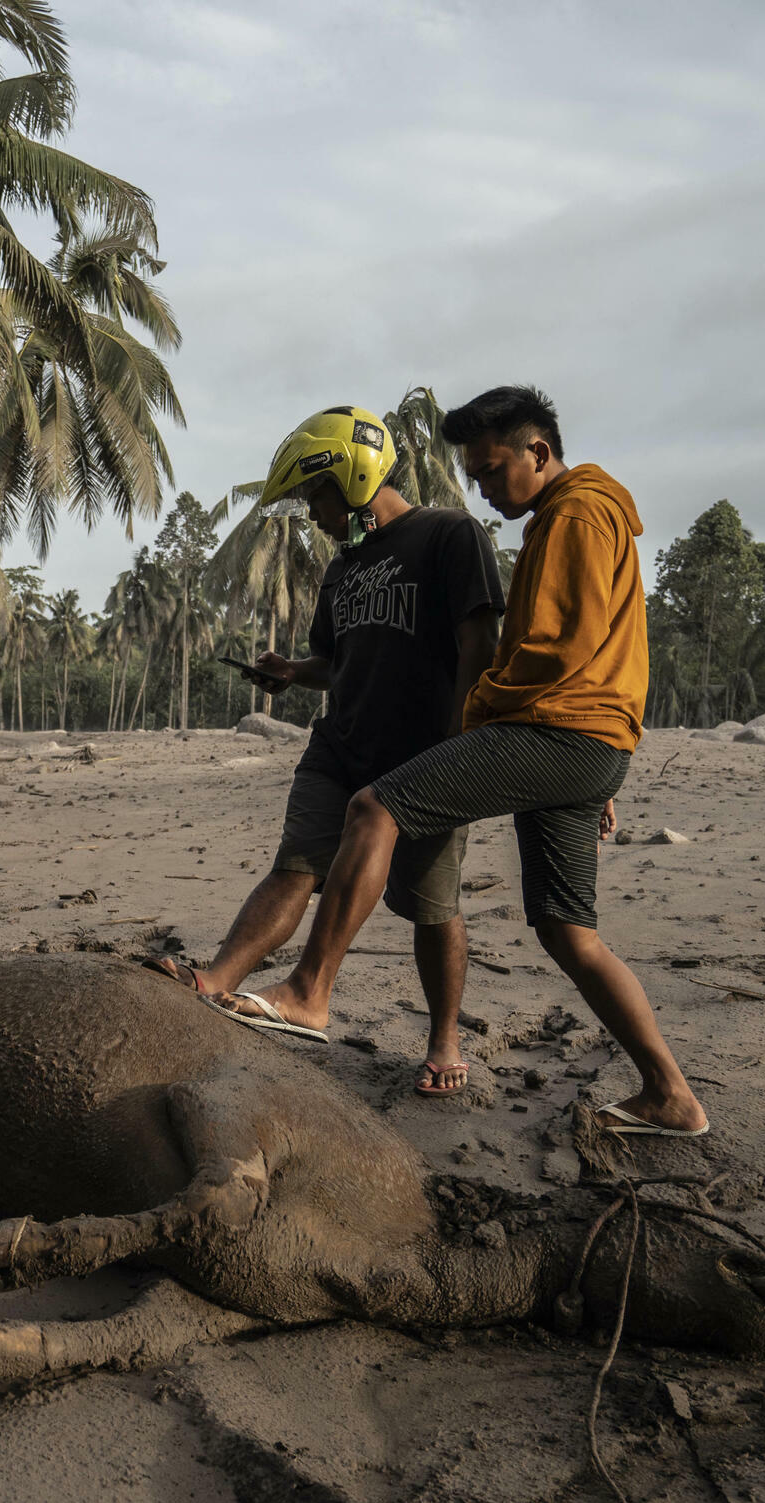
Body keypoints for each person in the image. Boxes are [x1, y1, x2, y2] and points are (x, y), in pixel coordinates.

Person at [212, 385, 706, 1136]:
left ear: (539, 453)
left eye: (493, 469)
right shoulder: (569, 515)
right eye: (474, 475)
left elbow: (552, 652)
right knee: (568, 929)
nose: (484, 487)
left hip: (554, 732)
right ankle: (671, 1094)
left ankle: (311, 993)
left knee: (374, 809)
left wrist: (487, 727)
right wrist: (595, 762)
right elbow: (595, 655)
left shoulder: (574, 513)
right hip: (584, 742)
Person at [153, 405, 503, 1096]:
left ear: (351, 473)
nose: (310, 512)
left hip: (424, 758)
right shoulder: (344, 568)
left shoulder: (448, 535)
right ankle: (218, 980)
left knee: (431, 908)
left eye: (314, 494)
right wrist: (290, 672)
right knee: (295, 867)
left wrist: (464, 743)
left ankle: (444, 1039)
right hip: (339, 746)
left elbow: (480, 643)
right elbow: (334, 660)